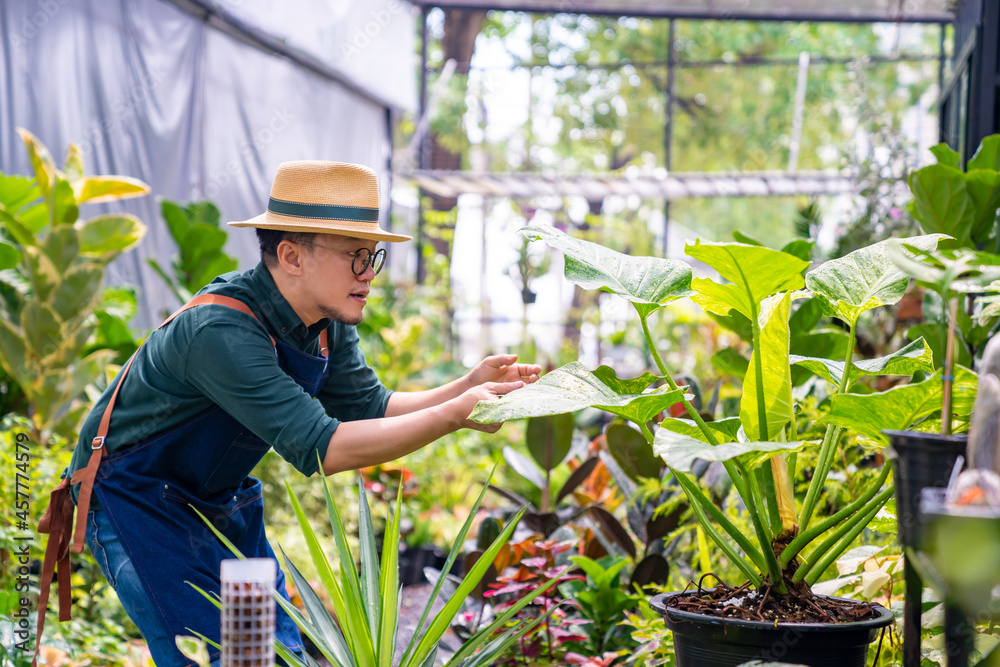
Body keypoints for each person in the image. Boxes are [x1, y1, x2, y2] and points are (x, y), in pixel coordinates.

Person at [35, 160, 540, 667]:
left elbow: (371, 407)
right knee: (207, 655)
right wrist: (455, 413)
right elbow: (322, 448)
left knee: (264, 653)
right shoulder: (220, 332)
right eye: (354, 257)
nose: (368, 274)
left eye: (372, 256)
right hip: (135, 503)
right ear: (292, 256)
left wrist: (466, 386)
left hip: (218, 504)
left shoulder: (326, 319)